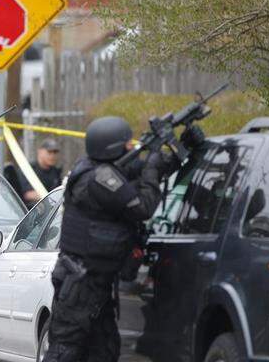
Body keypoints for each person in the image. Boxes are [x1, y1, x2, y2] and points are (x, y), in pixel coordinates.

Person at [42, 116, 201, 362]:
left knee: (104, 351)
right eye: (128, 144)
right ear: (112, 148)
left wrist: (181, 147)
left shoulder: (103, 170)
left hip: (95, 282)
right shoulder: (98, 179)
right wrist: (151, 166)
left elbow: (148, 172)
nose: (132, 147)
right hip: (80, 283)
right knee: (65, 350)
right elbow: (143, 206)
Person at [16, 138, 62, 206]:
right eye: (49, 152)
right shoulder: (28, 169)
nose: (52, 156)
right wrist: (52, 198)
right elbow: (28, 194)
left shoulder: (55, 171)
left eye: (55, 152)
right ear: (40, 152)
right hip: (28, 210)